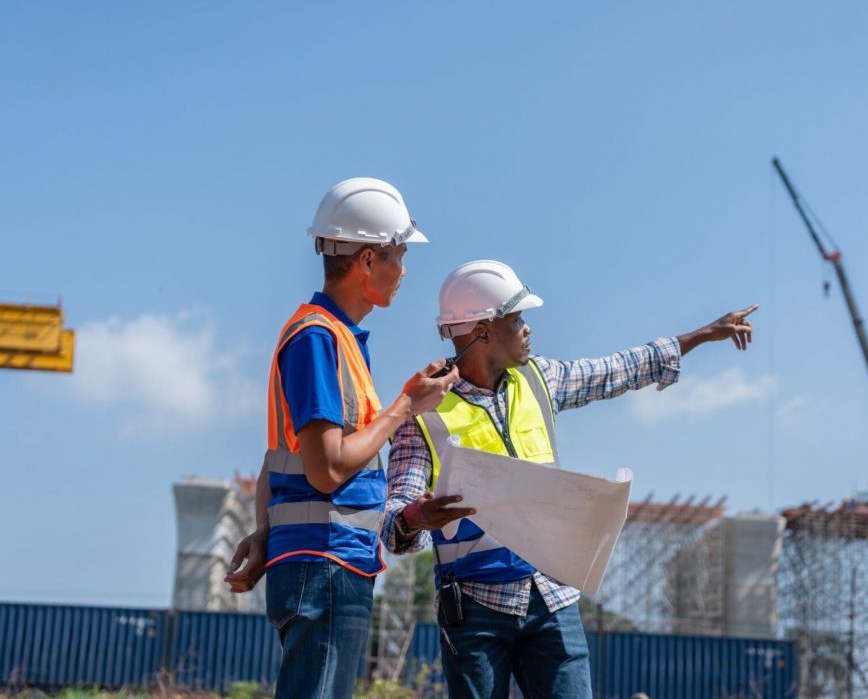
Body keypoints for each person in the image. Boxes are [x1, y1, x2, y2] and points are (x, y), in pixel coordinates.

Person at [382, 259, 757, 699]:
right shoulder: (423, 410)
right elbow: (392, 523)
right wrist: (416, 516)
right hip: (475, 609)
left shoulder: (540, 379)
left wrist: (700, 335)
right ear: (482, 331)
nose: (527, 329)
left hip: (551, 597)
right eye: (517, 319)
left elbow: (617, 369)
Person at [225, 178, 459, 699]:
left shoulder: (336, 338)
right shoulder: (317, 338)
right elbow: (327, 469)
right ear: (368, 260)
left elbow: (277, 462)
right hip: (324, 563)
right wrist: (406, 405)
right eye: (400, 255)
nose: (404, 270)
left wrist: (264, 533)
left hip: (327, 561)